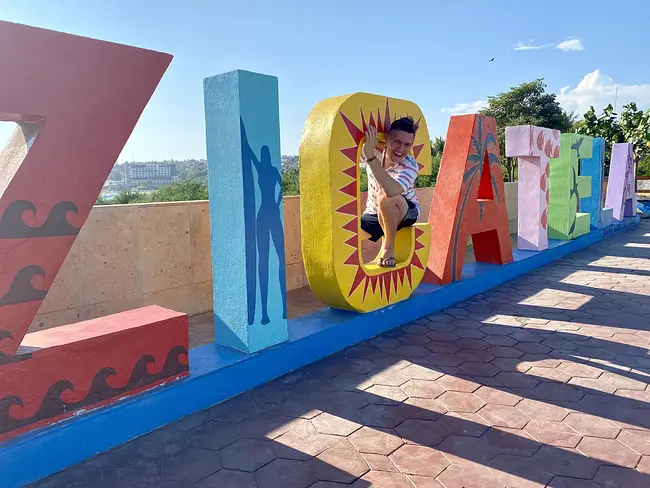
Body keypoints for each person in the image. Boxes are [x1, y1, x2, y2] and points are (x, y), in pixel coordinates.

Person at [360, 116, 420, 268]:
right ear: (386, 139)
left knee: (385, 195)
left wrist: (371, 157)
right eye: (397, 142)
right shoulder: (374, 151)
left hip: (406, 211)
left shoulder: (410, 165)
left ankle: (388, 248)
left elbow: (392, 191)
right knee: (346, 232)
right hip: (374, 212)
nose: (401, 149)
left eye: (407, 145)